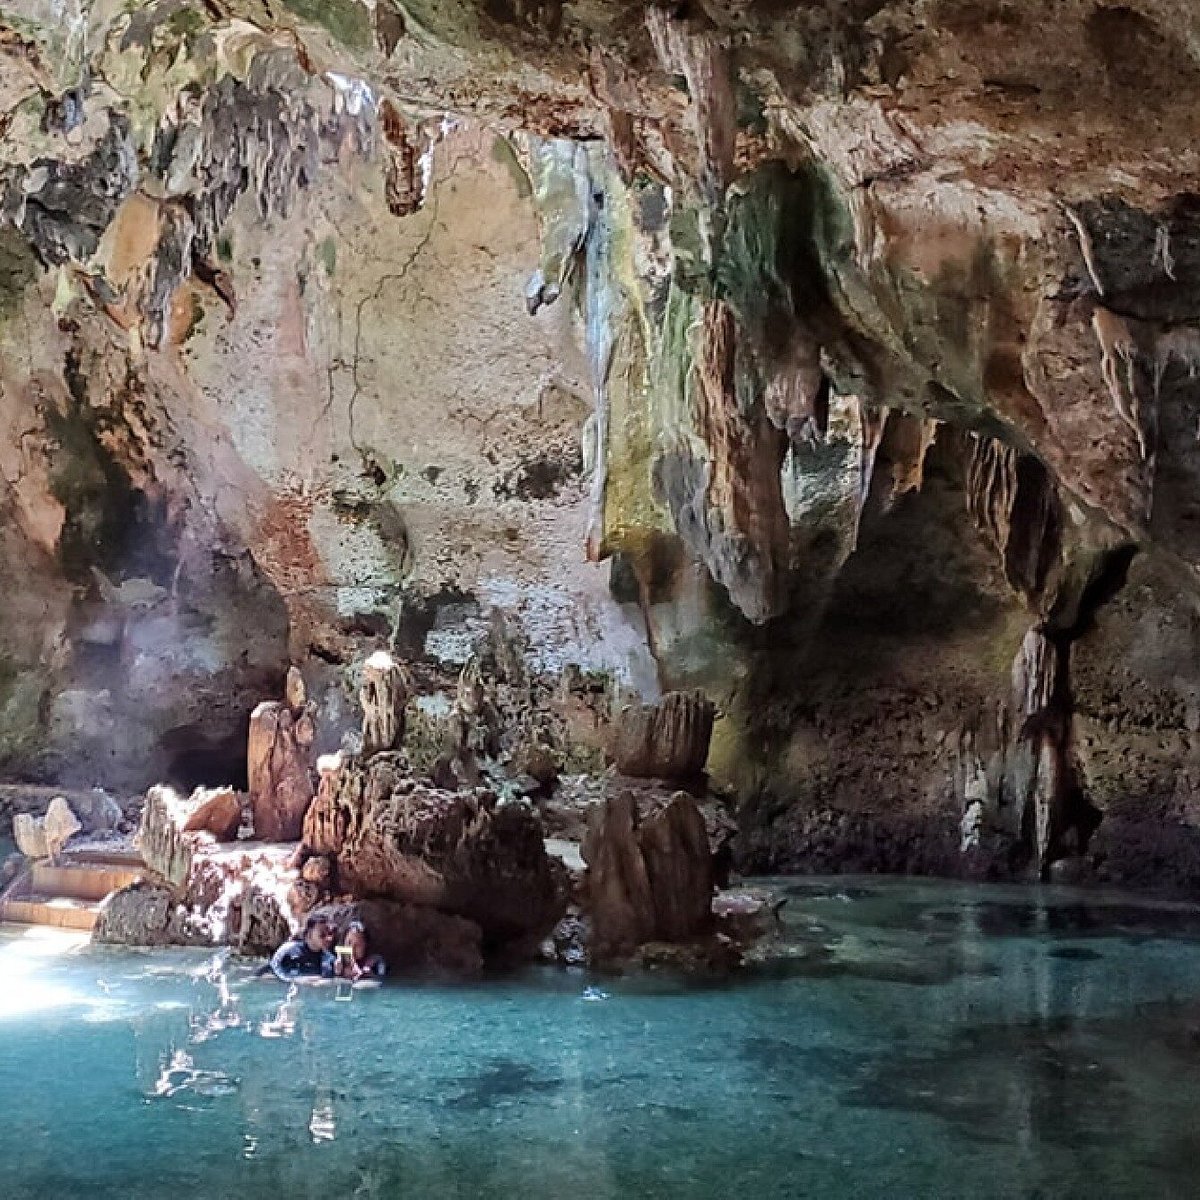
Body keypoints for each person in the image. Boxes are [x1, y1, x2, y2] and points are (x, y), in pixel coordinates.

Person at [268, 914, 336, 981]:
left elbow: (329, 980)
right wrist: (296, 980)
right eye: (322, 934)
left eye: (330, 934)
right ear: (309, 934)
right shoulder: (288, 950)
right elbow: (272, 967)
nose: (328, 938)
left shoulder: (329, 959)